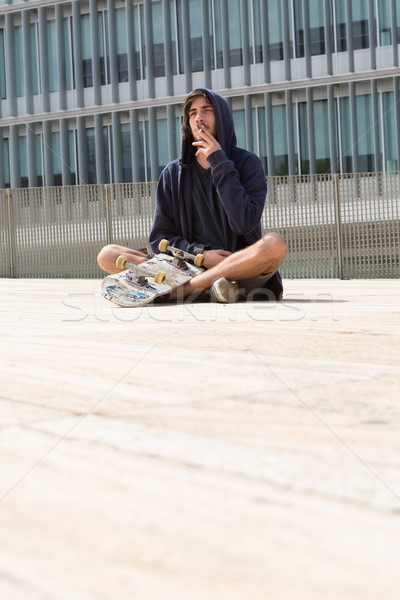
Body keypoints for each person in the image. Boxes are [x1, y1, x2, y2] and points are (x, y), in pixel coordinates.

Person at [97, 88, 286, 303]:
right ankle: (211, 287)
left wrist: (219, 162)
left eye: (207, 110)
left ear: (222, 118)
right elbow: (160, 239)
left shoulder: (248, 164)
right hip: (186, 266)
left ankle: (185, 290)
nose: (199, 118)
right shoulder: (172, 173)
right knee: (108, 254)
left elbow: (244, 224)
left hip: (238, 264)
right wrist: (201, 255)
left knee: (274, 244)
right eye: (193, 113)